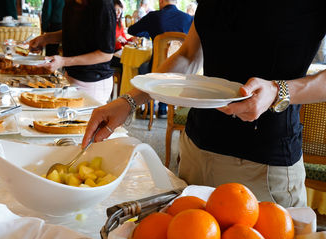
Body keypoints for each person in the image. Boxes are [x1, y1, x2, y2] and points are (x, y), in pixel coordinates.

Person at [82, 0, 326, 208]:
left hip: (263, 167)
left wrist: (278, 90)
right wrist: (130, 99)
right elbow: (188, 55)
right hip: (194, 151)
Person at [29, 0, 116, 105]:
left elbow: (106, 54)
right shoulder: (70, 2)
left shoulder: (103, 4)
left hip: (93, 82)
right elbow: (72, 33)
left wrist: (64, 61)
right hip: (72, 76)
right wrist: (46, 38)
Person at [128, 0, 193, 118]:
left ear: (161, 1)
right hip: (181, 69)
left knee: (142, 68)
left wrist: (150, 33)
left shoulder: (154, 16)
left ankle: (148, 109)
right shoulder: (188, 19)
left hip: (157, 67)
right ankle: (163, 109)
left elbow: (131, 30)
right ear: (176, 2)